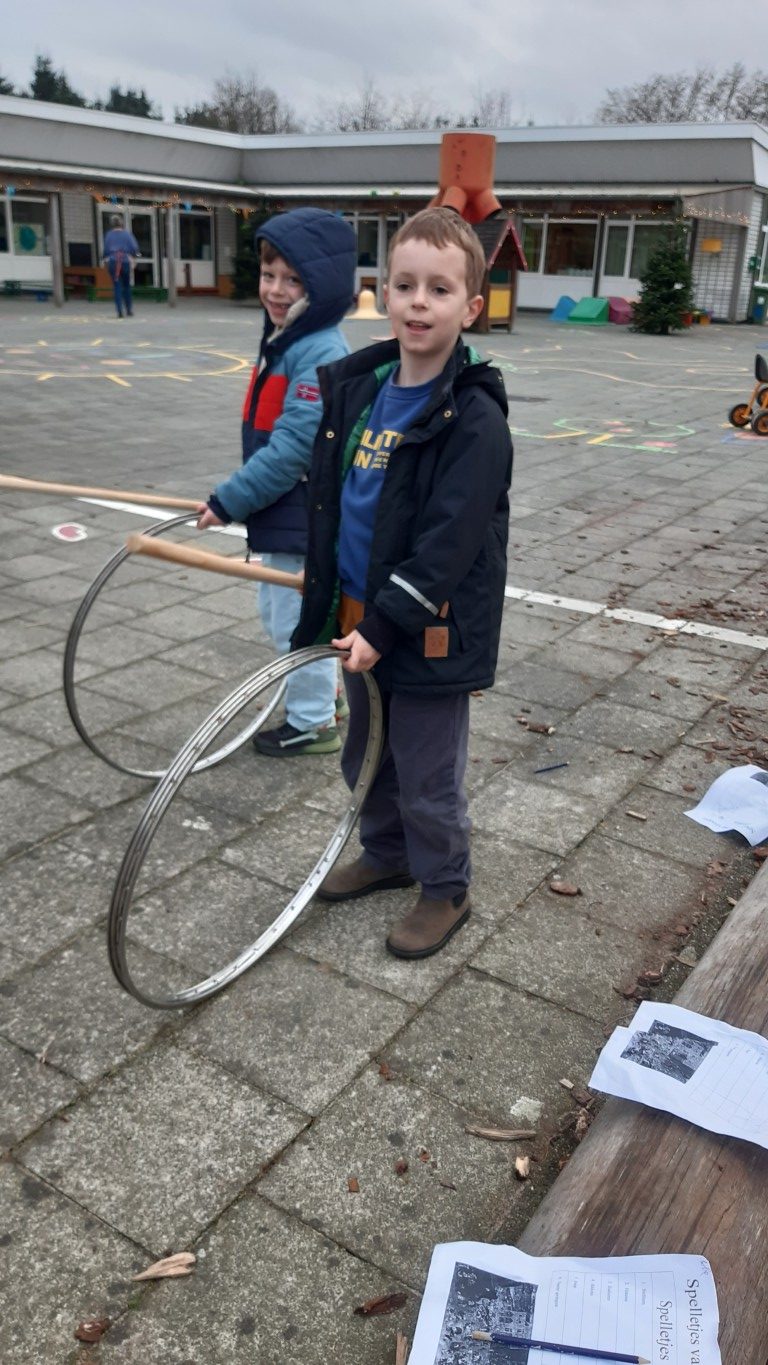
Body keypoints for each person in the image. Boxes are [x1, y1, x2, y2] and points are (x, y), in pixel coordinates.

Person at [293, 207, 513, 958]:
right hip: (359, 618)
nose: (420, 302)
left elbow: (447, 543)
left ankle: (445, 885)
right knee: (366, 752)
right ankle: (387, 854)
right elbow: (338, 497)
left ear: (470, 307)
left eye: (440, 289)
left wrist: (387, 624)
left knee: (426, 770)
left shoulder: (473, 418)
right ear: (382, 292)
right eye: (406, 284)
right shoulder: (362, 390)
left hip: (425, 625)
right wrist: (327, 580)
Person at [196, 207, 356, 755]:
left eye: (293, 280)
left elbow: (291, 451)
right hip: (287, 512)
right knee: (278, 610)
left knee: (296, 621)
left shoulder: (321, 351)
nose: (276, 290)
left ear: (322, 287)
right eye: (269, 275)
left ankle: (313, 723)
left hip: (306, 514)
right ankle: (329, 698)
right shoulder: (289, 340)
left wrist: (229, 500)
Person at [102, 214, 140, 318]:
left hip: (113, 261)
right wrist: (134, 258)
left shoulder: (109, 235)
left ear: (111, 224)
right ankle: (129, 310)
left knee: (117, 286)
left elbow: (106, 250)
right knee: (127, 286)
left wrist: (105, 258)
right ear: (121, 223)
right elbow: (134, 248)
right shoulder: (127, 235)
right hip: (125, 261)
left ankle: (119, 311)